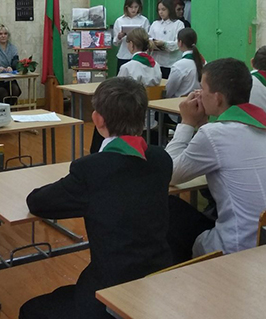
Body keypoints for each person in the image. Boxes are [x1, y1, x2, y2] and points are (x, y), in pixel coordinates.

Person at [20, 77, 172, 319]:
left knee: (31, 310)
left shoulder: (91, 169)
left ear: (98, 119)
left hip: (111, 290)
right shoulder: (161, 159)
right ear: (143, 116)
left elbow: (38, 202)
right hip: (157, 279)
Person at [165, 58, 266, 263]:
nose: (199, 93)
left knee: (168, 206)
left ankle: (188, 273)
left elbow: (169, 173)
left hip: (242, 248)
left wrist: (187, 123)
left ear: (217, 98)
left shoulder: (213, 134)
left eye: (202, 88)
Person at [90, 28, 160, 153]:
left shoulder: (128, 67)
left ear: (131, 45)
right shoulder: (156, 66)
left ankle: (97, 154)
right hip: (149, 117)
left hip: (128, 118)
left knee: (102, 119)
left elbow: (115, 94)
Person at [148, 0, 185, 79]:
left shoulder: (178, 24)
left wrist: (164, 44)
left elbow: (178, 43)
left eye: (163, 9)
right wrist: (151, 43)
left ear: (170, 9)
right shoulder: (155, 24)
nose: (161, 12)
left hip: (171, 63)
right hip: (157, 62)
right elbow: (149, 38)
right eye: (159, 10)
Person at [112, 0, 151, 71]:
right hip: (124, 55)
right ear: (126, 7)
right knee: (122, 77)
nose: (133, 10)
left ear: (139, 6)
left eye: (136, 7)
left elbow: (148, 39)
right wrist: (119, 37)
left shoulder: (144, 20)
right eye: (131, 7)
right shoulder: (119, 21)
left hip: (139, 56)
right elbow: (115, 43)